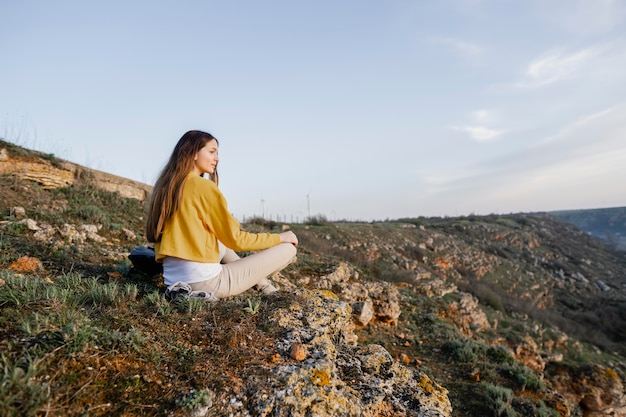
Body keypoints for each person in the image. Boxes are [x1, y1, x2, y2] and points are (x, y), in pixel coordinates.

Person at [145, 130, 298, 299]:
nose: (217, 158)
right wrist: (280, 238)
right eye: (211, 152)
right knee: (288, 249)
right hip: (207, 282)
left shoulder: (166, 186)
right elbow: (236, 239)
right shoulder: (202, 186)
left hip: (173, 279)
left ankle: (265, 288)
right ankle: (265, 287)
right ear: (193, 153)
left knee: (219, 241)